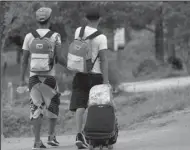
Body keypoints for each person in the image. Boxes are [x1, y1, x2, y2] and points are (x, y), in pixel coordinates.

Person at [20, 7, 67, 149]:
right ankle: (51, 136)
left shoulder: (29, 36)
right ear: (49, 20)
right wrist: (72, 66)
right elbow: (59, 58)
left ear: (37, 20)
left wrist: (22, 79)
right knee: (53, 105)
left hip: (33, 78)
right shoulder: (55, 36)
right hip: (49, 78)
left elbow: (24, 60)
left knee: (35, 108)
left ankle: (37, 141)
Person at [69, 8, 109, 149]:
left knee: (80, 106)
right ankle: (93, 136)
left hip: (80, 73)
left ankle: (78, 134)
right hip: (96, 75)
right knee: (94, 107)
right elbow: (104, 60)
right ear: (99, 19)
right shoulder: (101, 37)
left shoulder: (79, 31)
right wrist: (106, 81)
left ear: (86, 18)